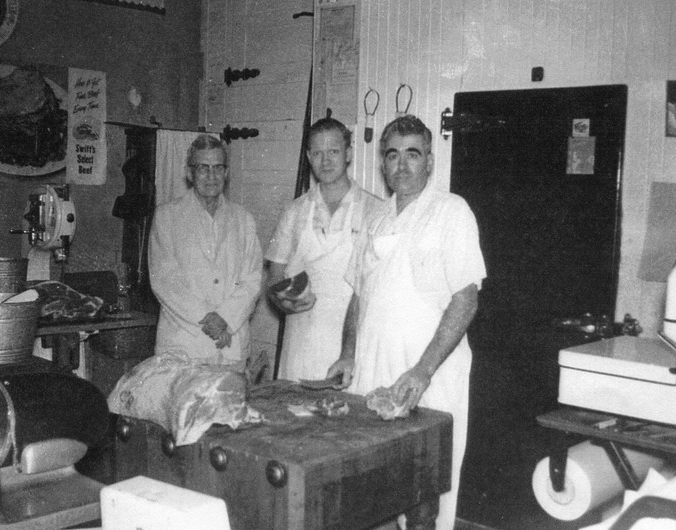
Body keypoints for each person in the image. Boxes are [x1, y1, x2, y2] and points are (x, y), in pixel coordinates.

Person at [327, 115, 486, 530]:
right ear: (382, 163)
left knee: (423, 498)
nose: (402, 164)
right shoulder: (377, 216)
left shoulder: (452, 211)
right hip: (372, 373)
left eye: (412, 154)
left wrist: (422, 371)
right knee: (369, 493)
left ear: (429, 162)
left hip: (428, 377)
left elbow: (465, 300)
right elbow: (359, 294)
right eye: (392, 155)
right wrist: (347, 353)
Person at [265, 117, 382, 381]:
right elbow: (274, 277)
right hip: (301, 341)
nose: (325, 161)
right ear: (308, 156)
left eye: (333, 152)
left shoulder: (375, 210)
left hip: (352, 344)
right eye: (317, 153)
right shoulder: (293, 211)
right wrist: (283, 301)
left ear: (348, 153)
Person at [148, 134, 263, 366]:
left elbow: (252, 280)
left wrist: (225, 318)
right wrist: (209, 320)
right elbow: (165, 281)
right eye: (203, 168)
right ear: (190, 173)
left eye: (218, 168)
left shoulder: (244, 219)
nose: (211, 176)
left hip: (231, 343)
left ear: (227, 173)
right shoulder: (167, 217)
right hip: (184, 345)